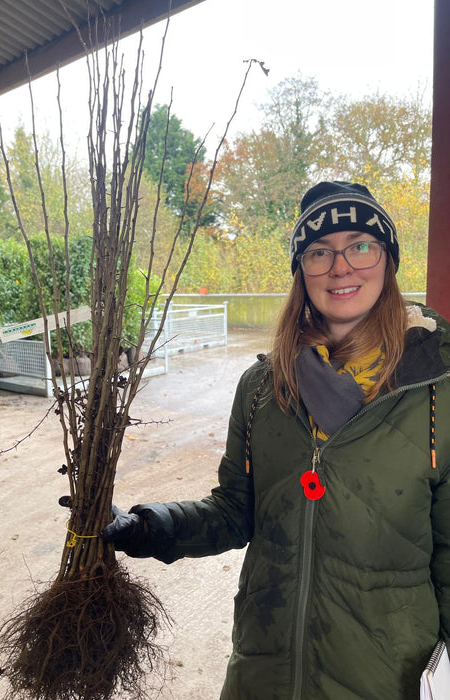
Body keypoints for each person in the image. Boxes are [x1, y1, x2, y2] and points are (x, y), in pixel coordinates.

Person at [103, 181, 450, 700]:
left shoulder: (437, 389)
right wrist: (152, 528)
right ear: (300, 271)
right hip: (263, 671)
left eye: (361, 245)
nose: (340, 267)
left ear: (388, 259)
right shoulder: (263, 386)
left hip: (386, 678)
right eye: (318, 252)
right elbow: (235, 511)